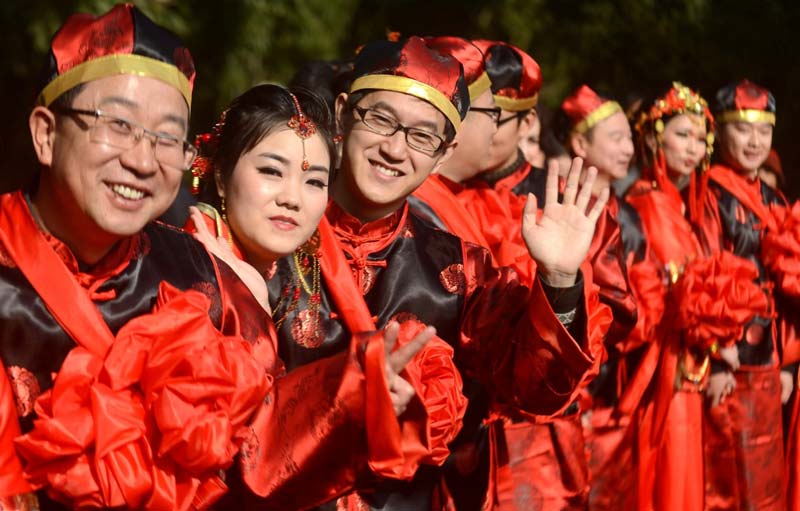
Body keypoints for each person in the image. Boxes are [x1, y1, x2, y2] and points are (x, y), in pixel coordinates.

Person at [0, 5, 430, 510]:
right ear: (46, 133)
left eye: (166, 136)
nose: (141, 159)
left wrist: (351, 394)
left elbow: (252, 447)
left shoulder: (202, 275)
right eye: (117, 125)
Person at [269, 35, 611, 510]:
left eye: (422, 136)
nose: (395, 149)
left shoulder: (460, 267)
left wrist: (558, 281)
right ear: (343, 114)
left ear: (444, 153)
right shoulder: (271, 237)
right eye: (381, 119)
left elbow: (534, 390)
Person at [184, 83, 465, 509]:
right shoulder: (187, 273)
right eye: (271, 172)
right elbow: (239, 454)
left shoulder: (298, 263)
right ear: (221, 176)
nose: (292, 198)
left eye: (314, 180)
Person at [697, 79, 797, 511]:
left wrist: (789, 362)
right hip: (731, 359)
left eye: (764, 130)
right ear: (719, 131)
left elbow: (790, 288)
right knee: (726, 479)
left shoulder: (776, 198)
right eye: (743, 129)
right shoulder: (708, 194)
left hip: (770, 359)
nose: (755, 141)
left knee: (765, 477)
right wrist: (718, 356)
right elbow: (704, 277)